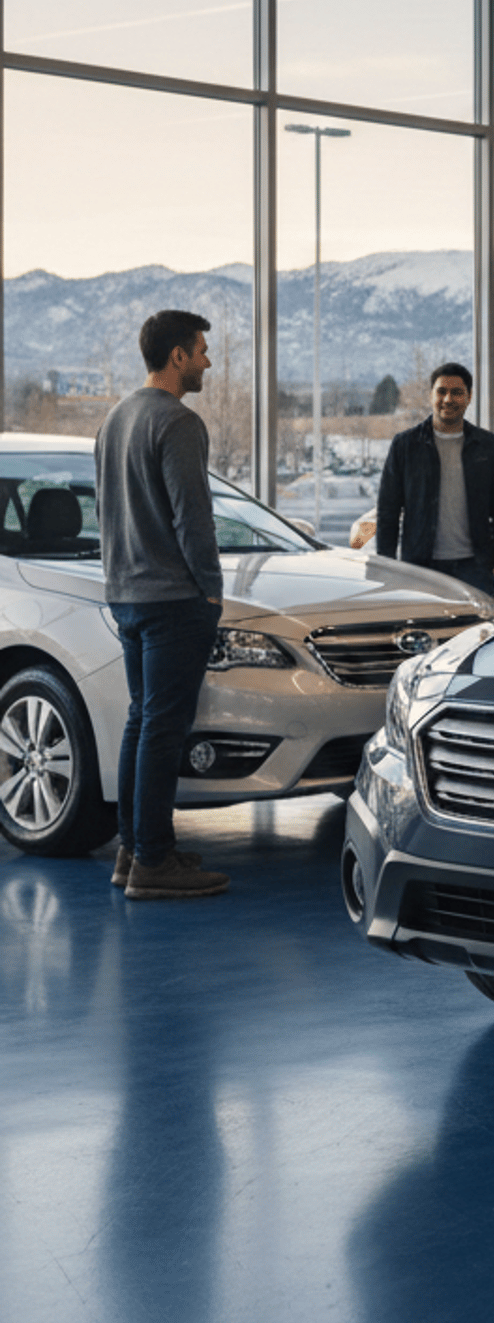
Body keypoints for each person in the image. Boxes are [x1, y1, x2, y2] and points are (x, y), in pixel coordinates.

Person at [94, 310, 231, 900]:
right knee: (164, 729)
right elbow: (192, 518)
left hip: (125, 594)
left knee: (141, 720)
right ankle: (154, 860)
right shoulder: (177, 421)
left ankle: (134, 849)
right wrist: (212, 588)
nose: (207, 361)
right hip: (174, 598)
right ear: (177, 356)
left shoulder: (116, 417)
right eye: (201, 350)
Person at [375, 362, 494, 598]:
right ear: (431, 396)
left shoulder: (487, 445)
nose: (448, 399)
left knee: (478, 633)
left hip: (475, 568)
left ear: (469, 397)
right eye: (441, 391)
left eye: (457, 392)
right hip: (420, 568)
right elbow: (387, 513)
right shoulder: (405, 445)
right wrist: (388, 568)